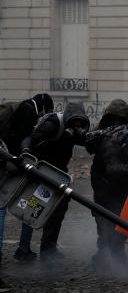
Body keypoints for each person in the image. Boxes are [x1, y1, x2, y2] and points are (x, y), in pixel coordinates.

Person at [17, 101, 90, 260]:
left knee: (59, 209)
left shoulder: (76, 128)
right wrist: (63, 137)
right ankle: (23, 249)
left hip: (58, 173)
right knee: (33, 209)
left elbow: (87, 143)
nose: (77, 126)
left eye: (80, 124)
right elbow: (33, 140)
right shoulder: (53, 124)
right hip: (42, 171)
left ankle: (48, 249)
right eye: (75, 124)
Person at [84, 99, 128, 274]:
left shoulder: (105, 135)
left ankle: (104, 262)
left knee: (106, 232)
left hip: (105, 193)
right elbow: (114, 171)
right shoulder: (113, 140)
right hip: (111, 193)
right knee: (113, 235)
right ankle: (117, 269)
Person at [0, 93, 55, 264]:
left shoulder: (17, 106)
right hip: (10, 166)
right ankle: (22, 249)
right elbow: (21, 139)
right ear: (43, 107)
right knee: (25, 205)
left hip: (7, 162)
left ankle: (20, 249)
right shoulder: (28, 111)